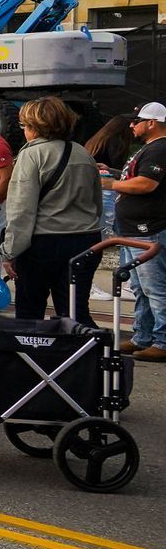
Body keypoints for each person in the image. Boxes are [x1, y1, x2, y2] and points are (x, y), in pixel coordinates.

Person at [1, 96, 102, 323]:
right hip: (86, 240)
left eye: (25, 126)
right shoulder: (83, 153)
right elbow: (96, 203)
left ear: (35, 127)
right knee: (75, 312)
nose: (24, 131)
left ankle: (31, 358)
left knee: (30, 312)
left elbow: (21, 211)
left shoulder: (31, 154)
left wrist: (9, 252)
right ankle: (84, 355)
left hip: (44, 242)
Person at [106, 103, 166, 361]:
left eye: (136, 120)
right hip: (136, 229)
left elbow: (146, 184)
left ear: (152, 123)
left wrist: (111, 183)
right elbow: (136, 177)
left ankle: (162, 341)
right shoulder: (151, 148)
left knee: (155, 287)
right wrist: (114, 173)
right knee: (141, 287)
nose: (132, 125)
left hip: (148, 229)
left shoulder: (160, 148)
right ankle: (143, 336)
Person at [85, 112, 138, 238]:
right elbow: (120, 167)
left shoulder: (97, 139)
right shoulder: (116, 141)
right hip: (107, 186)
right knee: (109, 226)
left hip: (94, 184)